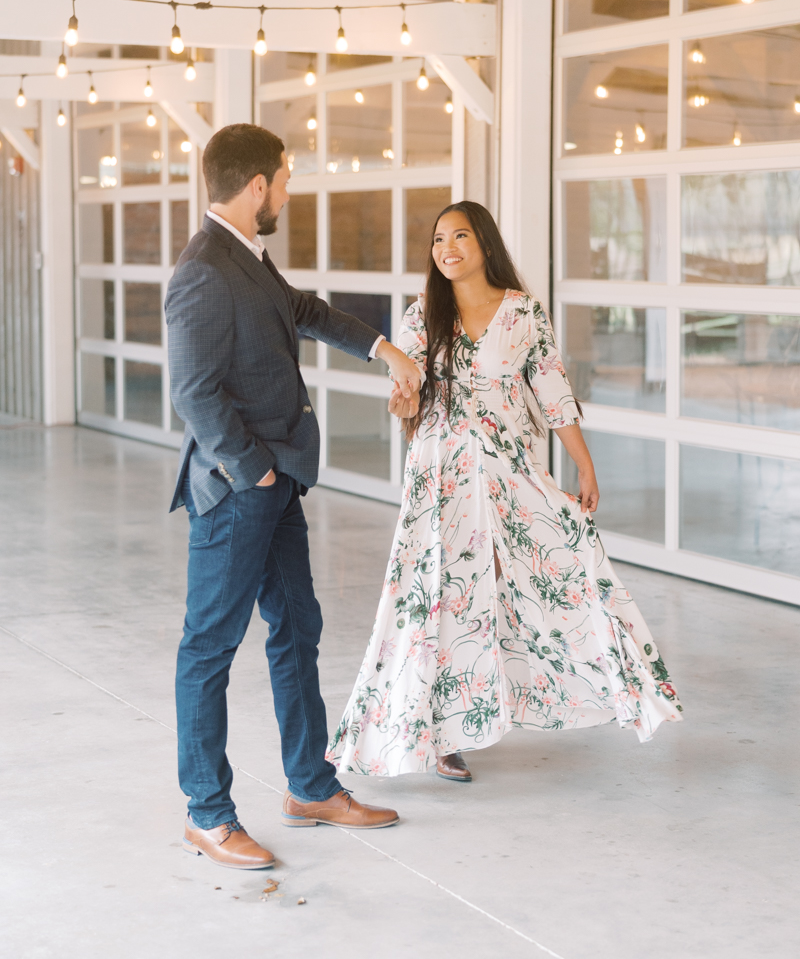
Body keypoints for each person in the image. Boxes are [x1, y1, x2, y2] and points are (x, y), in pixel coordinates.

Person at [328, 201, 682, 783]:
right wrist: (404, 400)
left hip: (509, 470)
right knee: (440, 599)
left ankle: (609, 689)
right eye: (439, 239)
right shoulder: (422, 318)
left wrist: (584, 465)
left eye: (460, 236)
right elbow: (409, 390)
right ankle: (437, 735)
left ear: (485, 244)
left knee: (561, 568)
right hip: (440, 476)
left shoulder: (523, 314)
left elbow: (553, 392)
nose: (447, 248)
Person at [166, 123, 421, 870]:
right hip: (240, 491)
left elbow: (299, 310)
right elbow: (193, 392)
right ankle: (208, 813)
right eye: (285, 178)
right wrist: (255, 471)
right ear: (257, 189)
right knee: (208, 648)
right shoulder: (203, 270)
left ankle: (310, 784)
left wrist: (385, 348)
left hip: (274, 489)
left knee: (296, 628)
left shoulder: (245, 255)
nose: (289, 189)